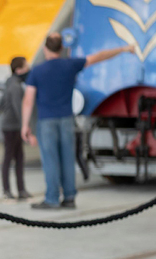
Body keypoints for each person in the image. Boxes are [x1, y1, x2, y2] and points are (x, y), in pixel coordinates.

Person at [22, 33, 135, 209]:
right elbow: (99, 56)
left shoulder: (37, 71)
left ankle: (52, 198)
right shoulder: (71, 64)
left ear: (45, 49)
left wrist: (24, 125)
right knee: (68, 158)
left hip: (46, 121)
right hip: (67, 119)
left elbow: (28, 100)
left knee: (50, 159)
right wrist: (123, 49)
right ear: (62, 48)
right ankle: (69, 198)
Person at [0, 57, 32, 200]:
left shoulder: (10, 83)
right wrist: (26, 126)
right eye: (26, 67)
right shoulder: (16, 86)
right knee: (10, 158)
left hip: (12, 126)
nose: (28, 69)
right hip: (12, 127)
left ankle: (20, 189)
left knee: (18, 158)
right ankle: (8, 190)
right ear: (18, 70)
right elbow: (19, 108)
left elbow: (0, 104)